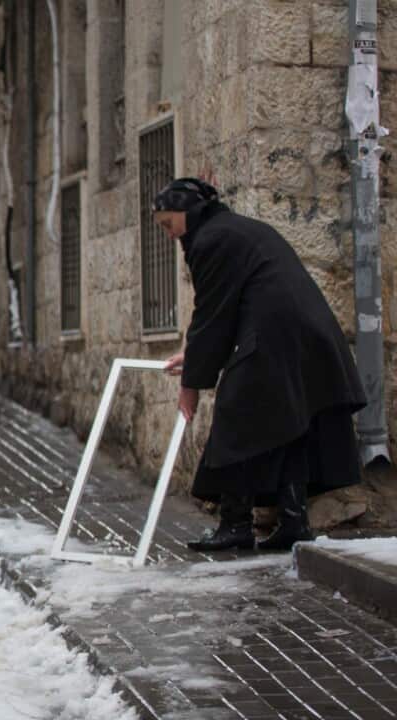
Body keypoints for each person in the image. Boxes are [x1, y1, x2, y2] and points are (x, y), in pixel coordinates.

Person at [153, 178, 365, 553]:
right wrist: (195, 356)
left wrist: (191, 384)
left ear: (189, 213)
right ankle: (294, 521)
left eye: (169, 224)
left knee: (237, 411)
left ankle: (236, 524)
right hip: (301, 332)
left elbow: (211, 316)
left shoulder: (210, 240)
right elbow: (229, 307)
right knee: (287, 423)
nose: (169, 235)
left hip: (280, 333)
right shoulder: (233, 229)